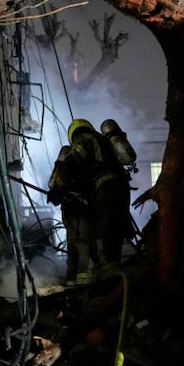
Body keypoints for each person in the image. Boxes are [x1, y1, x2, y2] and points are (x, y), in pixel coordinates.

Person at [47, 118, 132, 284]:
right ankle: (113, 273)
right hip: (122, 188)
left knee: (101, 231)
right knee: (116, 229)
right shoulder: (105, 142)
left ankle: (109, 278)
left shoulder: (84, 139)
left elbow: (73, 160)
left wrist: (58, 189)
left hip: (104, 187)